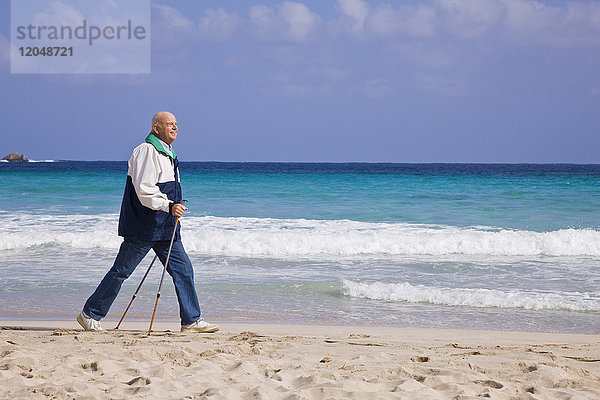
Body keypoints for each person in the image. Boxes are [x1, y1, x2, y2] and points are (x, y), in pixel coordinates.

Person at [77, 111, 218, 333]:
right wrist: (169, 206)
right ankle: (90, 314)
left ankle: (191, 320)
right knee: (121, 271)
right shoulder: (146, 151)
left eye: (176, 124)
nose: (175, 128)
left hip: (165, 227)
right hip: (144, 226)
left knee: (184, 271)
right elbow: (145, 190)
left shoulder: (168, 152)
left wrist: (173, 210)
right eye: (169, 124)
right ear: (156, 128)